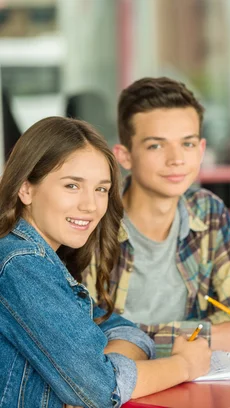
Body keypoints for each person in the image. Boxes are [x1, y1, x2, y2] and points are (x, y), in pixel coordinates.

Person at [0, 117, 211, 407]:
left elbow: (125, 331)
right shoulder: (21, 264)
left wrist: (103, 369)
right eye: (72, 185)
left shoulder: (46, 259)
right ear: (26, 189)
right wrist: (184, 365)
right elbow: (100, 389)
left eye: (101, 189)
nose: (90, 205)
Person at [83, 77, 230, 356]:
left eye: (187, 144)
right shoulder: (93, 218)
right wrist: (207, 336)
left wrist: (152, 337)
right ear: (124, 156)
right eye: (156, 146)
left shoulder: (208, 211)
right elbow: (88, 332)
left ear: (200, 150)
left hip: (196, 382)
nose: (176, 159)